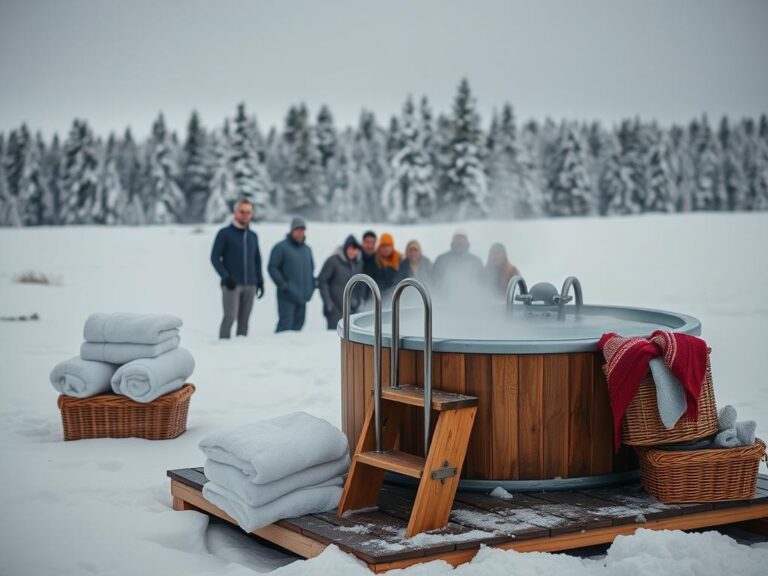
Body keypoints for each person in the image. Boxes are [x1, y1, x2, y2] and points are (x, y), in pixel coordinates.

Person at [210, 198, 265, 339]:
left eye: (248, 212)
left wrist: (260, 281)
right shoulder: (225, 233)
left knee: (244, 320)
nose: (245, 215)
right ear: (235, 212)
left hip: (250, 285)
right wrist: (226, 277)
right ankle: (223, 346)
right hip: (232, 285)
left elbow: (257, 260)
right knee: (230, 317)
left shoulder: (253, 236)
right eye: (242, 212)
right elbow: (214, 258)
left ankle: (241, 351)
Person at [267, 217, 315, 332]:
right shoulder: (281, 247)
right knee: (285, 326)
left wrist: (311, 288)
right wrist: (284, 285)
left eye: (302, 230)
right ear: (292, 231)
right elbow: (272, 267)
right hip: (287, 296)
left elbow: (311, 270)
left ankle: (293, 350)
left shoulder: (307, 249)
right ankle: (276, 349)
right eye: (297, 230)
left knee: (298, 326)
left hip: (302, 297)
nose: (300, 233)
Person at [318, 235, 363, 330]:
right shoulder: (333, 261)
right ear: (346, 248)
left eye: (355, 249)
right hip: (334, 309)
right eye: (350, 248)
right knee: (333, 337)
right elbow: (322, 281)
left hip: (352, 309)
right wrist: (328, 303)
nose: (353, 252)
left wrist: (358, 301)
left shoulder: (359, 263)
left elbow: (360, 285)